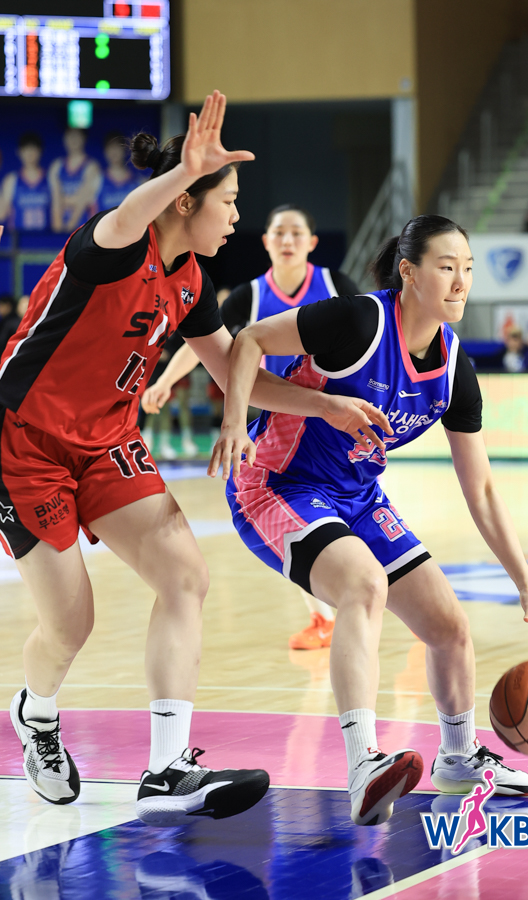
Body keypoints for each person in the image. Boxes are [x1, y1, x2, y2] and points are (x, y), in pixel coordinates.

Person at [0, 92, 387, 827]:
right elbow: (130, 214)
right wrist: (183, 171)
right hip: (25, 443)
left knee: (185, 575)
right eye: (228, 201)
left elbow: (239, 373)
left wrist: (328, 405)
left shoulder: (191, 283)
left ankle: (167, 768)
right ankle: (36, 714)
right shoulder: (113, 243)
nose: (237, 217)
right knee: (71, 625)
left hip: (107, 443)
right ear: (185, 201)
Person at [209, 214, 528, 827]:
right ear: (410, 272)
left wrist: (526, 583)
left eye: (468, 269)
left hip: (358, 495)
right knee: (364, 584)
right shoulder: (357, 322)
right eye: (446, 267)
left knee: (449, 626)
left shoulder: (455, 368)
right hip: (277, 484)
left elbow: (481, 488)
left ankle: (458, 757)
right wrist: (235, 421)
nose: (461, 281)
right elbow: (247, 343)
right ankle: (362, 764)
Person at [143, 204, 360, 650]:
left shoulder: (337, 286)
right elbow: (203, 341)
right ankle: (322, 618)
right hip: (278, 429)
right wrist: (165, 381)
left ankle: (399, 596)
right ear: (265, 241)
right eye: (278, 232)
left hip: (332, 422)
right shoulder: (251, 295)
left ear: (312, 242)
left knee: (353, 518)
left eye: (296, 233)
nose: (287, 240)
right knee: (297, 523)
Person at [48, 128, 101, 233]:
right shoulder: (57, 166)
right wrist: (58, 231)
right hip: (62, 228)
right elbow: (55, 202)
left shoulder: (92, 166)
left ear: (84, 138)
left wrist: (70, 229)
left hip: (84, 229)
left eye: (77, 136)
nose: (73, 139)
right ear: (64, 139)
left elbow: (83, 201)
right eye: (70, 136)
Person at [0, 133, 51, 232]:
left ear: (40, 151)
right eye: (26, 149)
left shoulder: (50, 178)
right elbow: (2, 214)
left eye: (33, 148)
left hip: (46, 238)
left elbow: (57, 212)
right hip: (18, 239)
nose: (30, 153)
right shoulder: (12, 179)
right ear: (19, 152)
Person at [93, 132, 140, 214]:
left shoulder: (138, 181)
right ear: (105, 151)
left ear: (125, 149)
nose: (114, 150)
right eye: (110, 147)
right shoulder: (96, 180)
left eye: (117, 146)